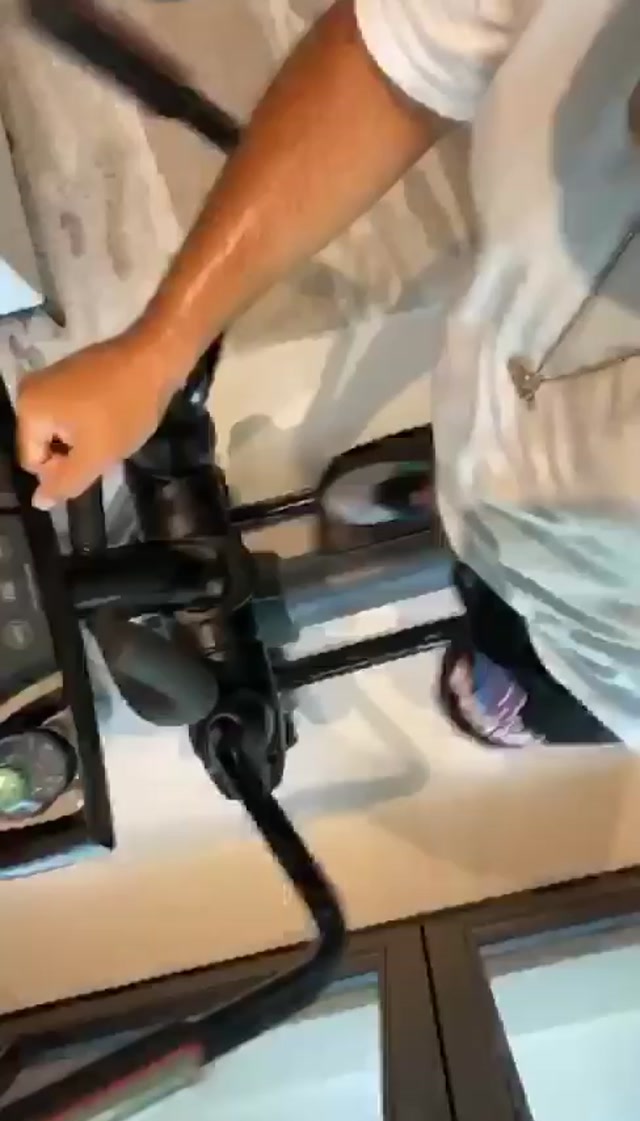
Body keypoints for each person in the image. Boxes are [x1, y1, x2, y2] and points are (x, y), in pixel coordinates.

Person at [16, 0, 640, 749]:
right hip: (506, 398)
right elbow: (398, 57)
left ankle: (519, 684)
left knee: (534, 667)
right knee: (490, 515)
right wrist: (155, 349)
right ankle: (472, 499)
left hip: (603, 634)